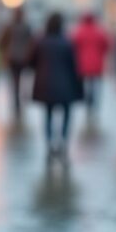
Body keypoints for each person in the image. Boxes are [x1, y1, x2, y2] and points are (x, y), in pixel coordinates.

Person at [30, 12, 83, 156]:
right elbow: (74, 65)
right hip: (65, 85)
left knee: (47, 114)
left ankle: (49, 143)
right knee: (66, 114)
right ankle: (63, 141)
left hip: (45, 84)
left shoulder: (40, 42)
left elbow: (31, 61)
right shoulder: (67, 43)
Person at [71, 12, 111, 122]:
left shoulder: (79, 31)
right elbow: (107, 45)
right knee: (96, 87)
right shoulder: (99, 31)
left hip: (83, 65)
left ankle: (88, 105)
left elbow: (73, 46)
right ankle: (94, 106)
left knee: (86, 86)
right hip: (97, 64)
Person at [0, 6, 34, 121]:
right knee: (22, 80)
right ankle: (20, 101)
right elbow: (32, 42)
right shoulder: (26, 27)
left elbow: (0, 42)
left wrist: (4, 52)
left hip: (12, 58)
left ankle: (16, 103)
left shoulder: (9, 27)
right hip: (23, 58)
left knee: (14, 82)